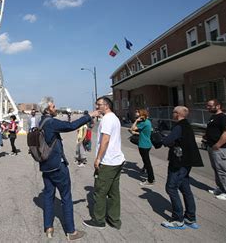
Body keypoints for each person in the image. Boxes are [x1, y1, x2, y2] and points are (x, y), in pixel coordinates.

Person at [38, 96, 99, 240]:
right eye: (53, 106)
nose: (55, 108)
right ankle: (71, 232)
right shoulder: (51, 122)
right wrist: (88, 115)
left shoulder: (41, 122)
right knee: (66, 197)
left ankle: (49, 228)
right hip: (57, 167)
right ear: (47, 109)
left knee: (48, 196)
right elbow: (70, 126)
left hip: (45, 167)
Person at [83, 96, 125, 230]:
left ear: (106, 106)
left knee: (100, 191)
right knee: (113, 192)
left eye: (99, 105)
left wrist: (98, 158)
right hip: (117, 160)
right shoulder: (114, 118)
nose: (96, 107)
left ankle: (99, 220)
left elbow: (105, 140)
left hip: (108, 161)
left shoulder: (107, 119)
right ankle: (114, 219)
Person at [160, 106, 204, 229]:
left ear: (177, 114)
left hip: (179, 162)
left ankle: (178, 219)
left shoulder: (179, 126)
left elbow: (167, 140)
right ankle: (190, 218)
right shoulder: (187, 125)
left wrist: (162, 139)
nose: (172, 114)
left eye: (173, 112)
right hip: (187, 162)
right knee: (185, 188)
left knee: (171, 187)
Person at [204, 99, 226, 201]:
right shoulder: (213, 117)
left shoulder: (223, 117)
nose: (207, 107)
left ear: (218, 106)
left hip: (221, 149)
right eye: (207, 106)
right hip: (212, 148)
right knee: (217, 169)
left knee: (225, 171)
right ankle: (221, 188)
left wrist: (218, 145)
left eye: (210, 106)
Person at [131, 109, 155, 186]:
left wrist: (136, 121)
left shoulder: (143, 123)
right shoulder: (147, 122)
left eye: (138, 112)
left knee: (147, 162)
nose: (136, 113)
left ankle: (151, 180)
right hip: (147, 144)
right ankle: (145, 170)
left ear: (141, 114)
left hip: (143, 145)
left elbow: (132, 128)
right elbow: (144, 131)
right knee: (146, 161)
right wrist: (138, 132)